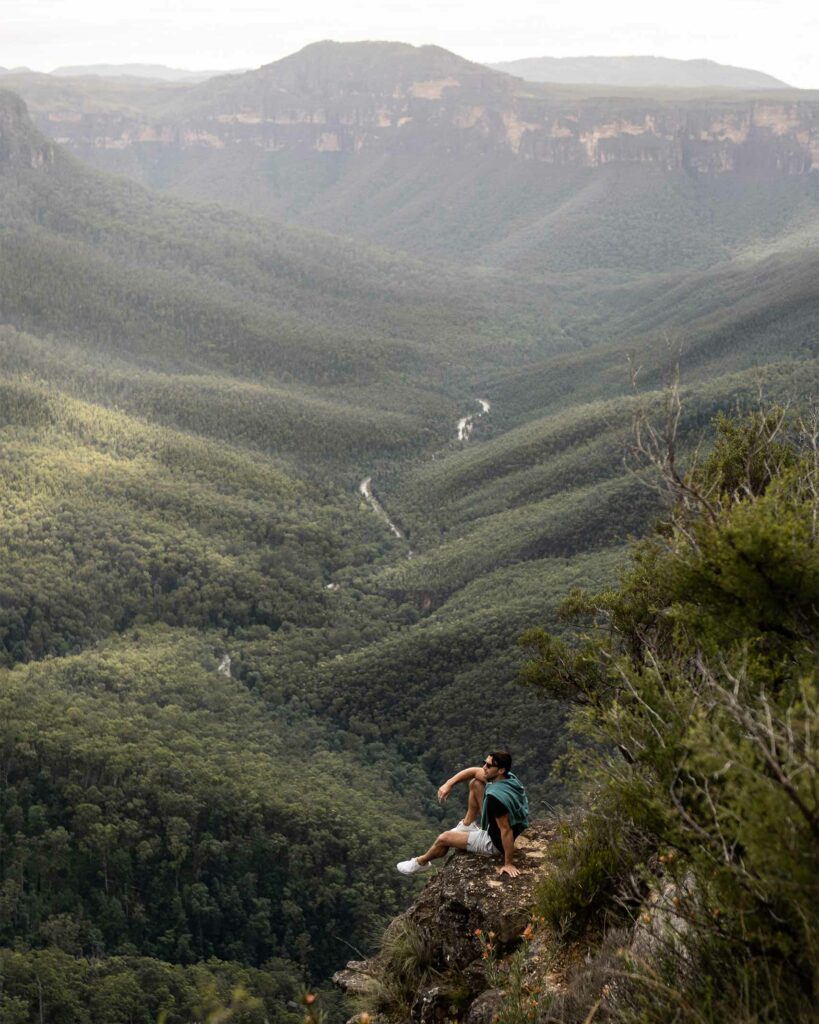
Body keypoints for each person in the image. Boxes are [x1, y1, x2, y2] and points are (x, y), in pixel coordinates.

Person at [397, 750, 529, 878]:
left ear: (500, 770)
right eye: (485, 763)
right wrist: (449, 783)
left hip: (493, 841)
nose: (484, 767)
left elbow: (506, 831)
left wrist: (508, 864)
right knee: (476, 784)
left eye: (488, 765)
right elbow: (473, 771)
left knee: (444, 839)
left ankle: (421, 862)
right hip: (501, 825)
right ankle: (468, 824)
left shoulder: (496, 799)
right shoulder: (509, 778)